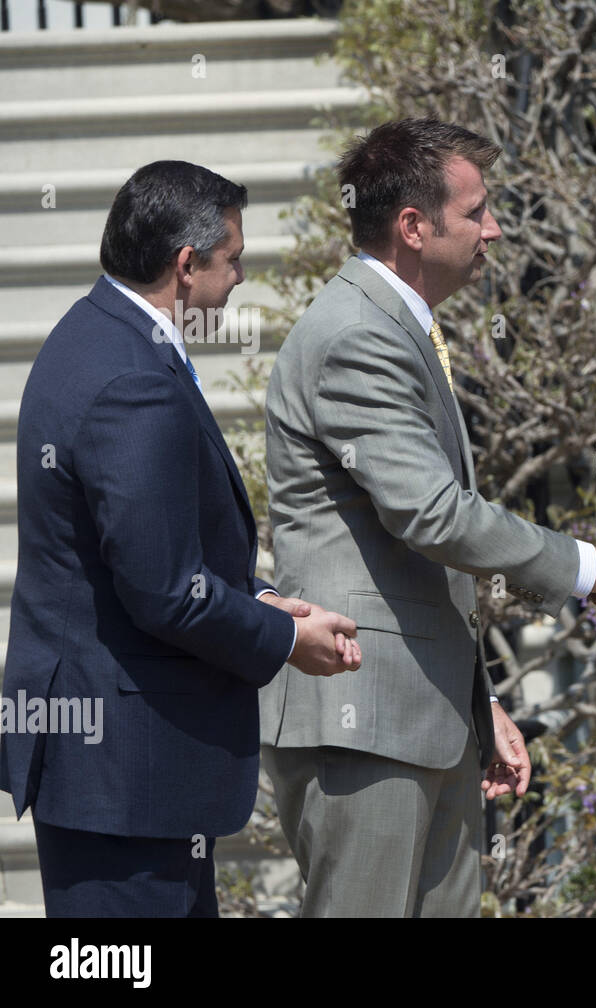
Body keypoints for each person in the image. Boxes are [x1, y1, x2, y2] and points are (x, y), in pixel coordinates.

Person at [259, 117, 596, 918]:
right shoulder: (354, 335)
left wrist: (477, 701)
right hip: (361, 717)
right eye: (478, 210)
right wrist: (592, 567)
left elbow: (412, 563)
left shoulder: (395, 324)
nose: (496, 227)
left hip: (421, 715)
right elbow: (433, 515)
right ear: (415, 226)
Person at [0, 161, 360, 918]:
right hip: (127, 773)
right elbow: (164, 590)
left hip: (121, 765)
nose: (240, 278)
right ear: (186, 266)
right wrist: (284, 638)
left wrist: (262, 598)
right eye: (232, 260)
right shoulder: (131, 376)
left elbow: (156, 551)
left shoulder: (98, 331)